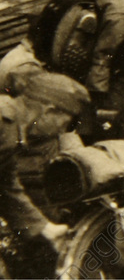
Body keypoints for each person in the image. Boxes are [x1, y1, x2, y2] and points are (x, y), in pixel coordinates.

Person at [0, 72, 89, 274]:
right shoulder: (3, 120)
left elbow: (6, 185)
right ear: (49, 111)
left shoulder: (14, 128)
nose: (61, 132)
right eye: (64, 123)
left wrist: (45, 228)